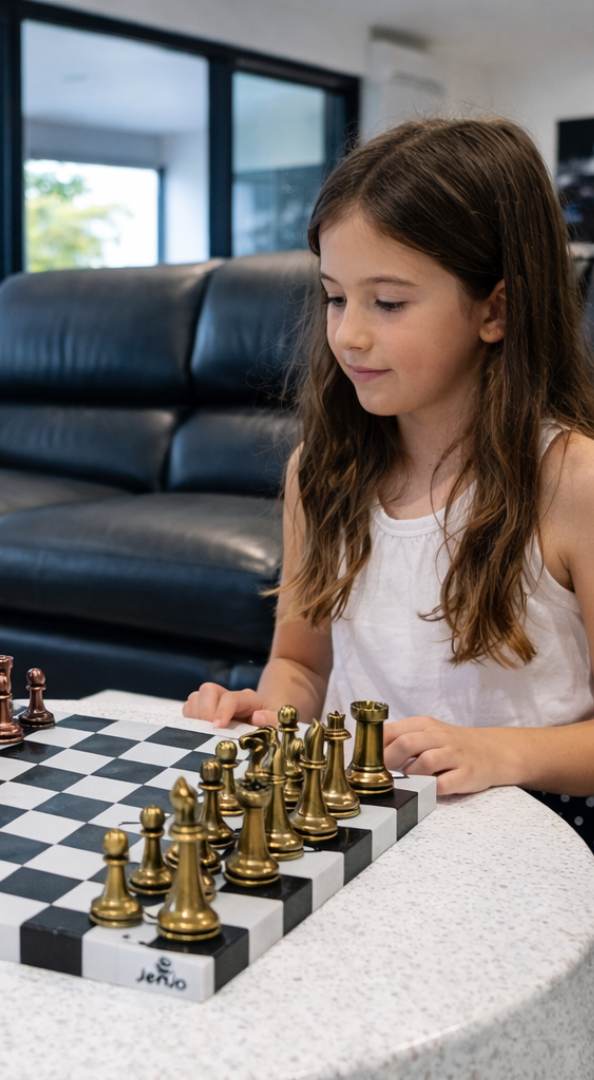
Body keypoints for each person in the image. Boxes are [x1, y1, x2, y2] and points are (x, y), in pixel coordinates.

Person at [185, 117, 594, 807]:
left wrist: (497, 750)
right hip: (359, 820)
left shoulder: (575, 482)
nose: (349, 334)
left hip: (526, 833)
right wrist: (269, 711)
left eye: (389, 302)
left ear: (497, 309)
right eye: (335, 297)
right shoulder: (319, 473)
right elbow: (300, 664)